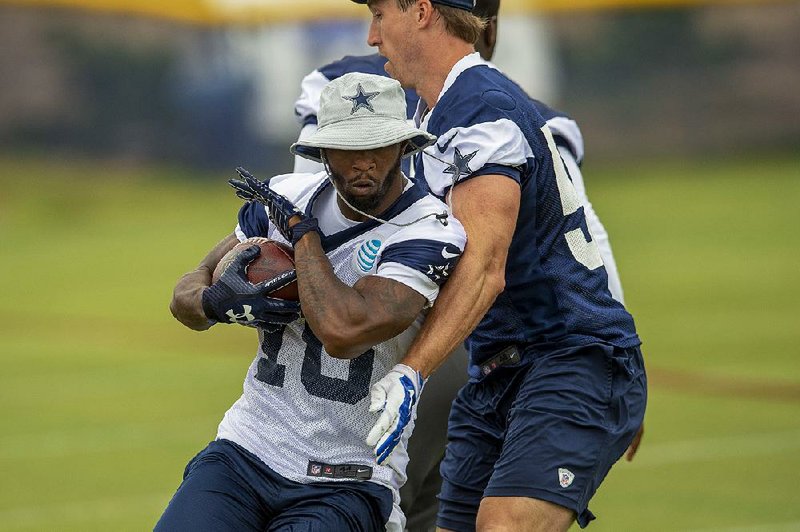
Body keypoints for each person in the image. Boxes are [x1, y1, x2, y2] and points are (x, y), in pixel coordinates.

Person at [294, 1, 637, 529]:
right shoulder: (440, 110)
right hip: (495, 368)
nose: (371, 36)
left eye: (381, 16)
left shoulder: (481, 110)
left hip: (568, 358)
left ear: (423, 12)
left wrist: (411, 373)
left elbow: (483, 268)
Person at [160, 72, 466, 531]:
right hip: (248, 448)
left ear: (404, 146)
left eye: (377, 146)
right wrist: (215, 301)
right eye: (347, 148)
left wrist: (304, 237)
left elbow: (345, 332)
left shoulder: (429, 230)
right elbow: (189, 288)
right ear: (323, 152)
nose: (363, 162)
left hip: (348, 475)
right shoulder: (286, 196)